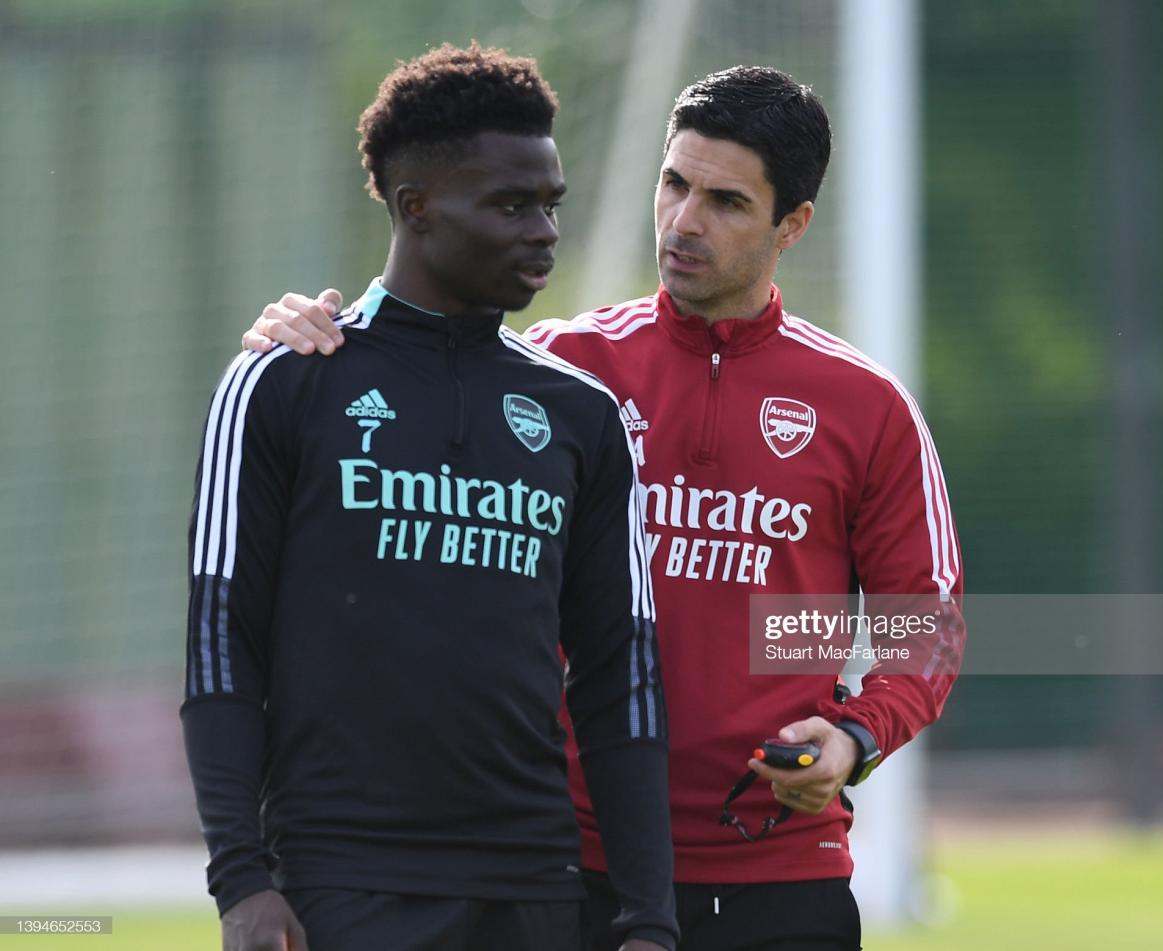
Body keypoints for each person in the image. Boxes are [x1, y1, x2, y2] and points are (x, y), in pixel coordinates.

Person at [246, 65, 965, 951]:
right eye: (674, 183)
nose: (684, 221)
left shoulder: (867, 406)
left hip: (781, 871)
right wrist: (308, 337)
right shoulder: (557, 374)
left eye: (727, 201)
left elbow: (922, 624)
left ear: (794, 225)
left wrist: (855, 735)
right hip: (568, 864)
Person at [183, 43, 678, 951]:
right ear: (416, 208)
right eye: (511, 204)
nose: (543, 231)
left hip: (533, 885)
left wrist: (650, 917)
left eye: (551, 204)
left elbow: (621, 672)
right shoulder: (286, 383)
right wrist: (241, 881)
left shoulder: (583, 415)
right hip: (343, 882)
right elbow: (223, 642)